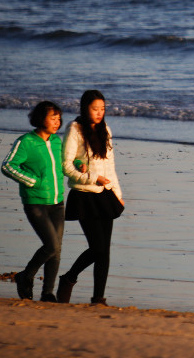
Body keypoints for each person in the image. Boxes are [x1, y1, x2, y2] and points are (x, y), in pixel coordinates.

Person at [57, 90, 124, 306]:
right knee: (98, 248)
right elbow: (66, 166)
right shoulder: (74, 129)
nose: (99, 113)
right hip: (85, 196)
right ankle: (69, 278)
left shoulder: (106, 129)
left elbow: (110, 166)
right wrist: (92, 178)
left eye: (102, 109)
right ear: (85, 108)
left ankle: (98, 298)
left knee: (105, 250)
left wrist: (118, 193)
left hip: (106, 196)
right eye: (95, 109)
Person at [1, 100, 66, 302]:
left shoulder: (56, 141)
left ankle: (47, 293)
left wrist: (79, 164)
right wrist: (32, 182)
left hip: (57, 202)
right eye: (52, 118)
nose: (57, 122)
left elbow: (64, 163)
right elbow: (8, 166)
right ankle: (25, 277)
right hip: (35, 202)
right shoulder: (26, 141)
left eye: (58, 118)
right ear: (40, 119)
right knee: (51, 246)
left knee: (56, 250)